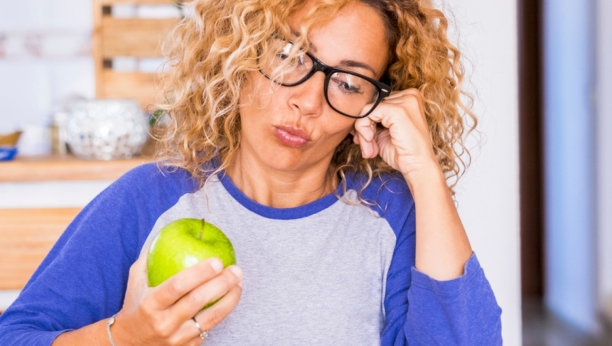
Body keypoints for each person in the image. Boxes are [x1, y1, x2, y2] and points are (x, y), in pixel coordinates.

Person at [0, 0, 503, 345]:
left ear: (376, 105)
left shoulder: (392, 213)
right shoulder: (148, 199)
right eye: (287, 56)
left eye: (349, 83)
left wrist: (426, 175)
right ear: (238, 56)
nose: (306, 101)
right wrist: (123, 338)